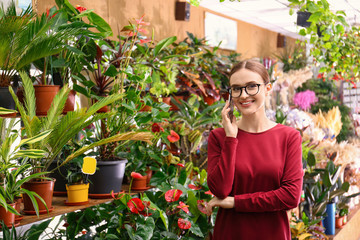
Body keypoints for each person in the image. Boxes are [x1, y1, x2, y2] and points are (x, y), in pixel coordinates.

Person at [206, 60, 303, 240]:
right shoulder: (219, 138)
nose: (243, 95)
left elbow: (290, 196)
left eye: (251, 86)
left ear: (267, 89)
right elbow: (220, 190)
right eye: (236, 88)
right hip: (230, 234)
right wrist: (230, 139)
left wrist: (236, 202)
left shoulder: (289, 137)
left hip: (273, 234)